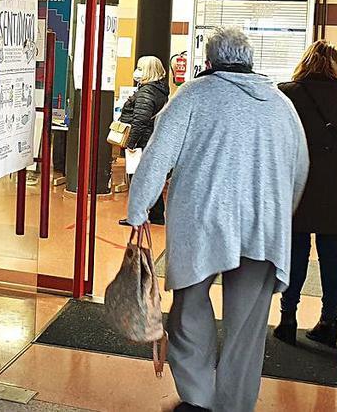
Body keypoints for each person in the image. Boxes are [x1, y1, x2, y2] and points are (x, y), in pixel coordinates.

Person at [127, 27, 308, 412]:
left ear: (209, 61)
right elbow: (300, 169)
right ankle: (234, 406)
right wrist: (281, 213)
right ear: (250, 60)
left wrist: (137, 208)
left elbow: (158, 156)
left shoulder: (192, 95)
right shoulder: (280, 104)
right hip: (264, 227)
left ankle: (197, 399)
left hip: (203, 221)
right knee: (248, 327)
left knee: (190, 309)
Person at [274, 41, 337, 348]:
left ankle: (287, 319)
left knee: (296, 251)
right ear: (336, 66)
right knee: (331, 254)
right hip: (334, 185)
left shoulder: (286, 93)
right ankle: (329, 320)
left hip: (297, 183)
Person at [118, 55, 170, 222]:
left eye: (141, 68)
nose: (137, 72)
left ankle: (136, 216)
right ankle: (155, 215)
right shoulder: (160, 90)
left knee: (138, 180)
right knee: (149, 178)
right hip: (151, 139)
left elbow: (140, 120)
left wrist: (131, 143)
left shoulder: (146, 92)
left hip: (141, 142)